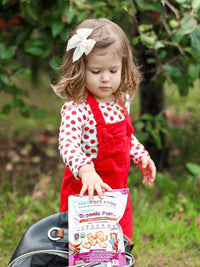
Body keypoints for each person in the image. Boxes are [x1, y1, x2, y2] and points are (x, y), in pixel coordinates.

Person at [52, 18, 156, 246]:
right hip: (85, 194)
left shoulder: (120, 101)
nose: (106, 78)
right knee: (86, 247)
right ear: (80, 69)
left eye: (113, 70)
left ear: (124, 67)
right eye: (97, 71)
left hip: (117, 193)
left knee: (118, 242)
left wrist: (140, 155)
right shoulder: (77, 107)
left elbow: (125, 137)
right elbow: (67, 145)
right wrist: (86, 169)